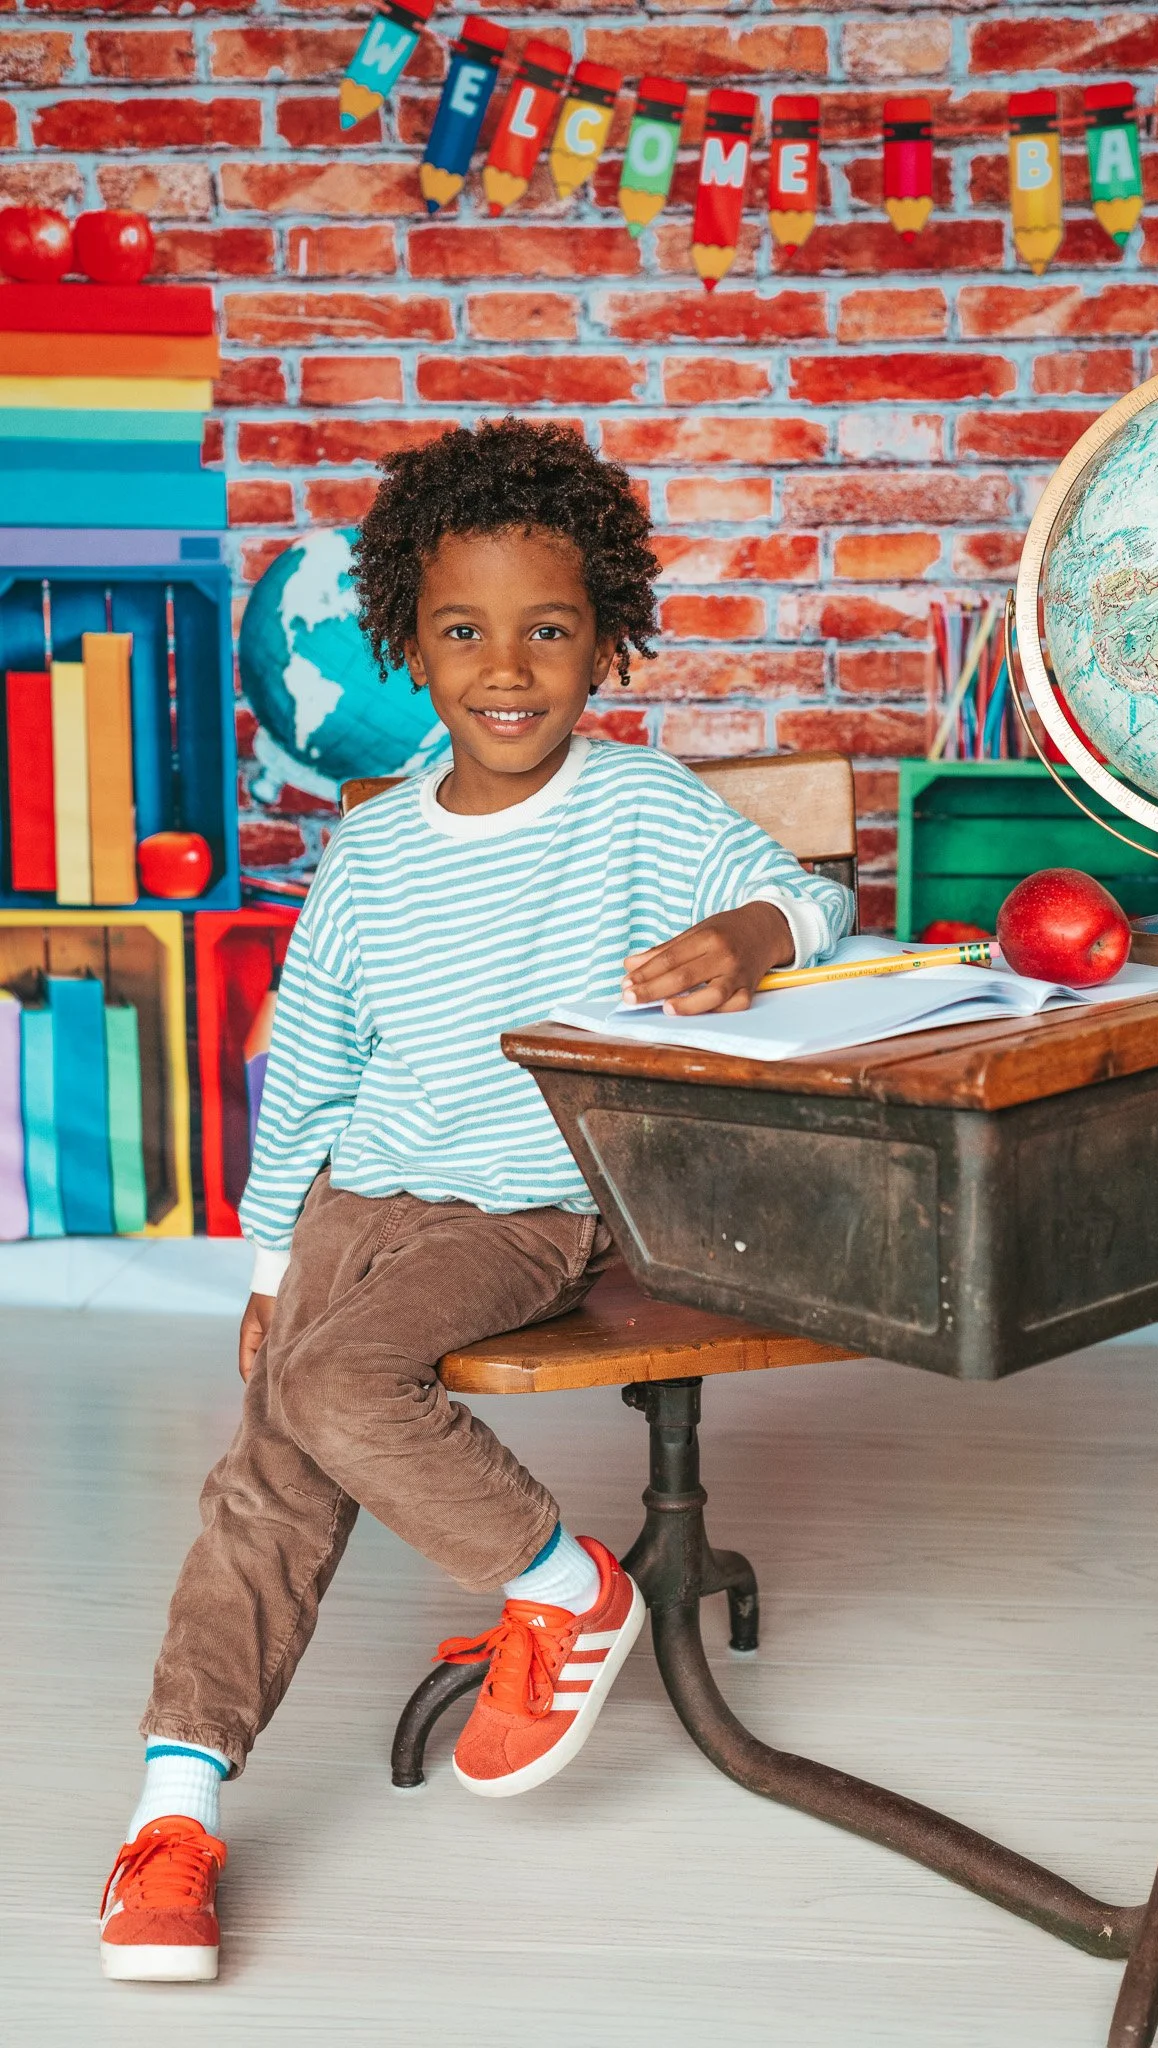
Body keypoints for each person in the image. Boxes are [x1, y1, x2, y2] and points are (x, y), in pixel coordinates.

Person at [99, 419, 856, 1982]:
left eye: (550, 630)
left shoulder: (637, 811)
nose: (507, 669)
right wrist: (262, 1254)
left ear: (606, 643)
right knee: (269, 1477)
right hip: (355, 1203)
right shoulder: (371, 852)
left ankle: (565, 1589)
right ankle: (174, 1814)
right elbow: (306, 1067)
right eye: (464, 632)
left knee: (329, 1386)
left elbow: (825, 899)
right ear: (407, 645)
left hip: (520, 1212)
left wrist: (751, 939)